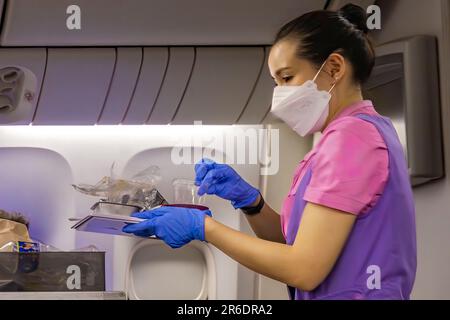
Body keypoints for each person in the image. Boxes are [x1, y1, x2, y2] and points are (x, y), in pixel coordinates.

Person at [123, 4, 416, 300]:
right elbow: (297, 245)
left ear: (334, 69)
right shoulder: (356, 132)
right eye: (276, 82)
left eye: (287, 78)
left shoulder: (352, 138)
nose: (279, 94)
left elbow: (304, 269)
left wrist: (204, 228)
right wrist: (252, 203)